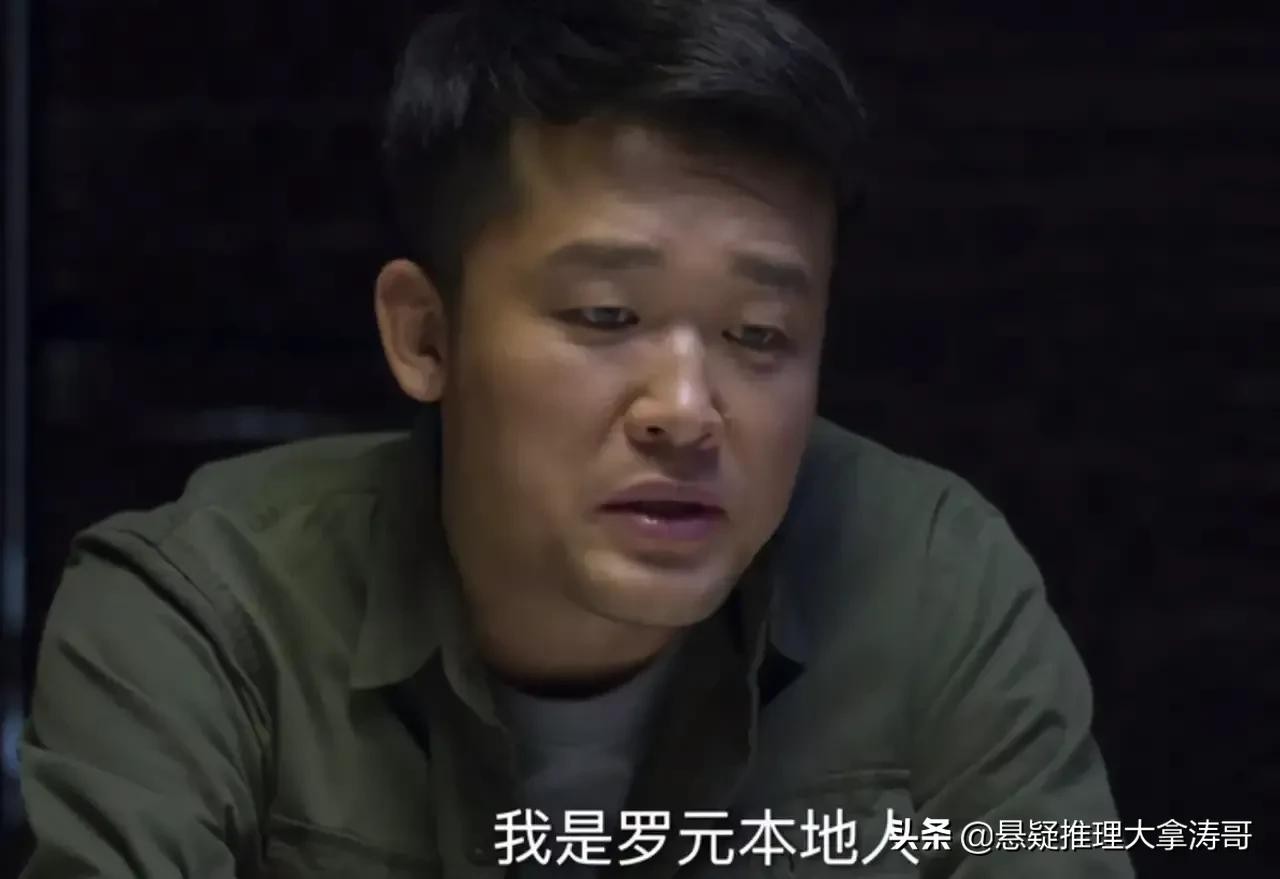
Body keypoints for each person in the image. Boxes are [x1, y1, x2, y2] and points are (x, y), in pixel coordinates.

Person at [19, 0, 1133, 876]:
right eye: (606, 316)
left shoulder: (927, 575)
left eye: (759, 334)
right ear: (425, 335)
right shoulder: (207, 609)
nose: (685, 408)